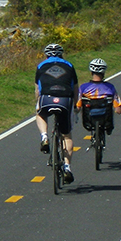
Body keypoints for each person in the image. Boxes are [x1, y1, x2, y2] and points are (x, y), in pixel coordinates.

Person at [35, 43, 79, 183]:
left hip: (47, 97)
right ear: (61, 54)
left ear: (46, 55)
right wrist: (76, 106)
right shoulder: (69, 66)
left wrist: (38, 103)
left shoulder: (41, 66)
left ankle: (44, 137)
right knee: (66, 136)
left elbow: (38, 89)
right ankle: (67, 167)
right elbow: (75, 89)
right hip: (65, 100)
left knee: (40, 114)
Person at [76, 58, 121, 135]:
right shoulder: (110, 87)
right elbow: (118, 110)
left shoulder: (83, 87)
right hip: (106, 119)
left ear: (91, 72)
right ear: (103, 72)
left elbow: (78, 106)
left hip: (88, 120)